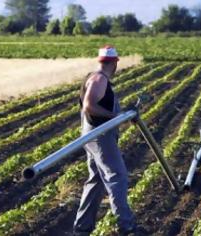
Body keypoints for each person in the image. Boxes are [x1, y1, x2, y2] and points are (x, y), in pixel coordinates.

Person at [73, 46, 137, 235]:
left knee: (96, 180)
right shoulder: (100, 79)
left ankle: (82, 228)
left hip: (91, 133)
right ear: (115, 63)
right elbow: (89, 106)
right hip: (99, 136)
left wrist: (122, 115)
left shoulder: (95, 77)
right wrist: (113, 117)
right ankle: (126, 226)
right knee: (117, 176)